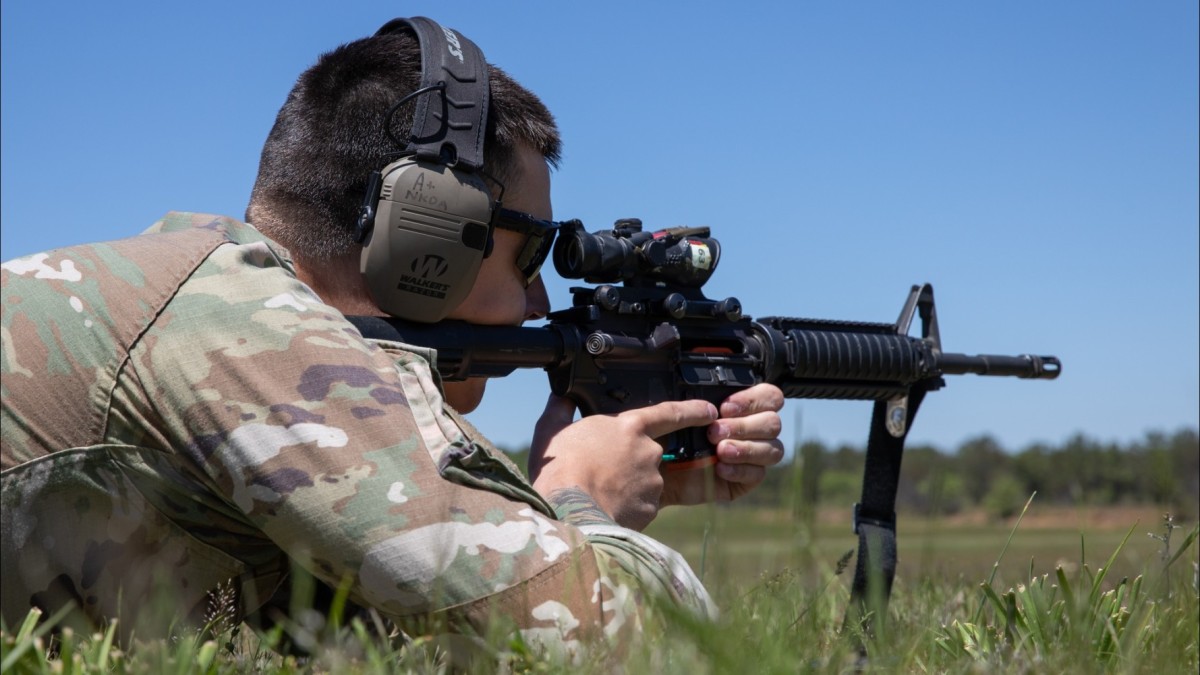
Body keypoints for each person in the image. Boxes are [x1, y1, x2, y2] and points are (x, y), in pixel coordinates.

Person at [0, 18, 784, 655]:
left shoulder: (204, 297)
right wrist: (586, 505)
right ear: (428, 237)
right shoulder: (255, 334)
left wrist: (577, 497)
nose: (541, 299)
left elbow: (386, 633)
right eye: (532, 252)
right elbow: (641, 648)